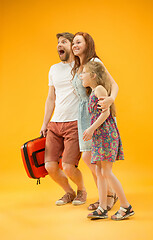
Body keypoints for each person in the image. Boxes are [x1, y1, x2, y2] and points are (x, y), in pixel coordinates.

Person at [81, 61, 135, 220]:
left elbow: (105, 113)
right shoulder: (92, 92)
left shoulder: (99, 89)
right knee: (99, 171)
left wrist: (91, 129)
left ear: (93, 75)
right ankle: (102, 207)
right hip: (100, 137)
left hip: (106, 135)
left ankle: (126, 206)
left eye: (84, 72)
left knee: (106, 172)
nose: (81, 75)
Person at [71, 32, 118, 211]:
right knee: (91, 158)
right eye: (73, 42)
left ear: (87, 44)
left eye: (78, 42)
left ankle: (109, 194)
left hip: (95, 115)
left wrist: (110, 99)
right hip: (83, 114)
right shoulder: (77, 66)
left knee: (92, 158)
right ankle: (103, 195)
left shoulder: (95, 63)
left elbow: (114, 85)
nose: (75, 45)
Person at [40, 32, 87, 206]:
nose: (60, 45)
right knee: (50, 166)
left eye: (64, 42)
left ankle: (82, 190)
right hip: (55, 123)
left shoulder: (80, 65)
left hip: (74, 122)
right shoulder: (53, 69)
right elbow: (50, 98)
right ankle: (69, 192)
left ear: (72, 46)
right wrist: (45, 123)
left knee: (68, 166)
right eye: (58, 42)